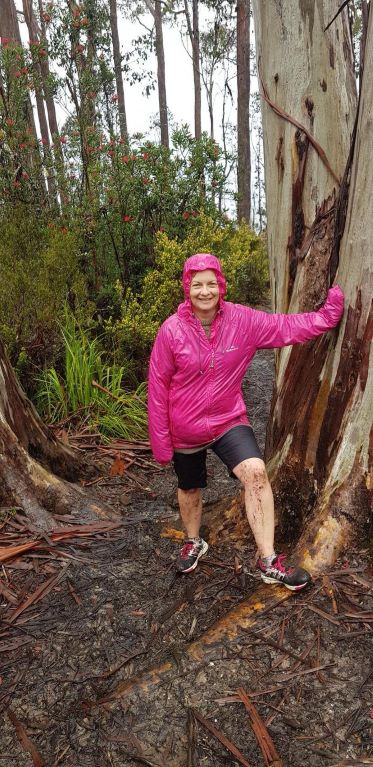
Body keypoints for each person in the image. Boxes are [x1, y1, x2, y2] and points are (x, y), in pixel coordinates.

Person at [147, 253, 344, 590]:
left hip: (227, 420)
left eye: (211, 284)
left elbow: (285, 327)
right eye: (197, 285)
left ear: (220, 287)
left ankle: (268, 560)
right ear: (187, 288)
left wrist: (328, 315)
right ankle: (194, 540)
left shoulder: (244, 321)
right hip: (185, 428)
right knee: (189, 486)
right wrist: (161, 441)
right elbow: (157, 385)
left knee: (255, 472)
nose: (205, 291)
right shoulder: (172, 330)